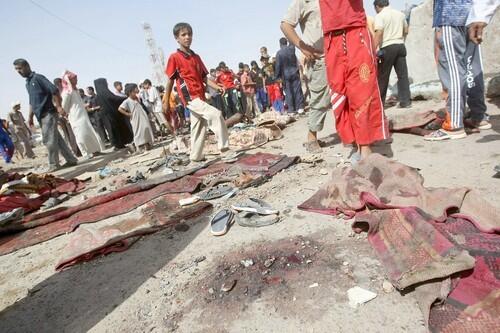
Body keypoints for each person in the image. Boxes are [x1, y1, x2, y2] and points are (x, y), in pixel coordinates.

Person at [319, 0, 389, 161]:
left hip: (355, 33)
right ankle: (355, 140)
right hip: (330, 38)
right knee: (339, 92)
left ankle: (365, 147)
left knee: (362, 92)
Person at [424, 0, 493, 141]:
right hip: (471, 16)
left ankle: (454, 125)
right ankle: (479, 116)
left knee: (453, 69)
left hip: (450, 16)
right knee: (472, 67)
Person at [163, 22, 229, 162]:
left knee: (198, 128)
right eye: (183, 35)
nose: (187, 37)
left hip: (200, 96)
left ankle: (196, 156)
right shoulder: (174, 57)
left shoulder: (196, 57)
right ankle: (225, 149)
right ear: (177, 38)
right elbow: (169, 81)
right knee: (216, 115)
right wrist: (165, 101)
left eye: (189, 34)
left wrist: (218, 87)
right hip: (190, 98)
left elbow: (204, 77)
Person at [281, 0, 331, 153]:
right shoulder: (303, 2)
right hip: (319, 58)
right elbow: (285, 25)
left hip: (338, 54)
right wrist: (303, 46)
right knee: (320, 98)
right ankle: (312, 137)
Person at [13, 59, 77, 171]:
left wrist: (58, 106)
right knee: (56, 139)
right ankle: (71, 159)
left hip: (48, 113)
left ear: (27, 66)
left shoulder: (38, 78)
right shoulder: (28, 83)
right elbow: (32, 102)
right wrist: (30, 117)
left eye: (20, 68)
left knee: (49, 140)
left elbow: (54, 90)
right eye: (16, 69)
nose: (18, 71)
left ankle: (54, 164)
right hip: (41, 116)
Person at [373, 0, 412, 108]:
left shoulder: (380, 16)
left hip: (387, 47)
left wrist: (372, 49)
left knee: (383, 77)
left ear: (377, 6)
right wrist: (402, 40)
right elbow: (406, 30)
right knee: (403, 76)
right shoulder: (400, 14)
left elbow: (379, 32)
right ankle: (406, 102)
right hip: (400, 45)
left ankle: (379, 105)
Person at [61, 70, 104, 159]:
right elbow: (64, 107)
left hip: (83, 116)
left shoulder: (75, 90)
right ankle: (86, 154)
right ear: (69, 80)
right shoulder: (67, 92)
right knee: (81, 135)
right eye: (74, 79)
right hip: (75, 117)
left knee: (89, 134)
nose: (76, 80)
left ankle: (95, 151)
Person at [94, 78, 134, 149]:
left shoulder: (99, 95)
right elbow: (114, 99)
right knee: (113, 129)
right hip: (110, 115)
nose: (107, 84)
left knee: (112, 129)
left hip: (107, 115)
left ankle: (118, 144)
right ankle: (117, 144)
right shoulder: (105, 93)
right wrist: (126, 98)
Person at [118, 83, 155, 152]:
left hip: (142, 116)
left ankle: (147, 144)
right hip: (136, 118)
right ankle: (139, 146)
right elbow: (120, 109)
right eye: (135, 89)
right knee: (138, 131)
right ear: (130, 92)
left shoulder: (136, 98)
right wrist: (128, 114)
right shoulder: (127, 101)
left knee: (145, 129)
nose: (137, 90)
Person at [274, 37, 305, 114]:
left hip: (285, 75)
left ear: (280, 44)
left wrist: (277, 77)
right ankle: (300, 108)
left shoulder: (279, 53)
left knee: (288, 92)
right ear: (286, 43)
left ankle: (291, 109)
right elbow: (292, 42)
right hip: (295, 72)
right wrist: (289, 37)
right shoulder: (292, 49)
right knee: (297, 90)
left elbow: (278, 66)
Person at [54, 78, 81, 157]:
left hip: (60, 116)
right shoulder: (62, 92)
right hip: (65, 115)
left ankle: (75, 151)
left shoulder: (54, 93)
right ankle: (77, 151)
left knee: (68, 135)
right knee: (71, 133)